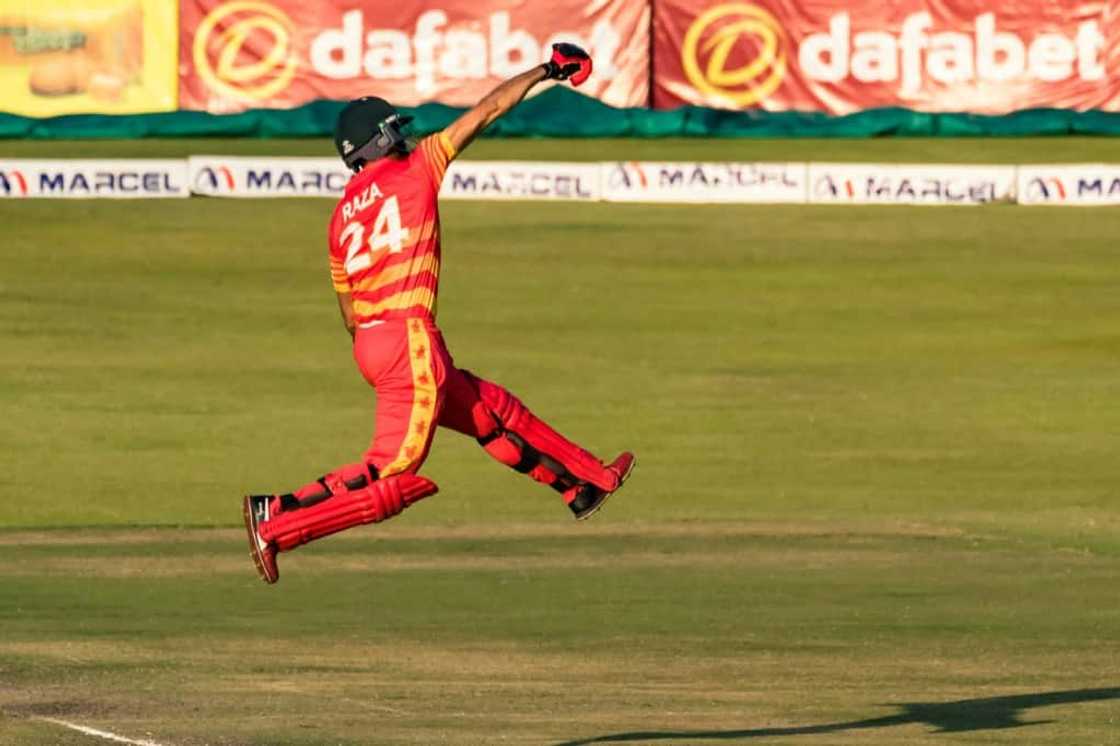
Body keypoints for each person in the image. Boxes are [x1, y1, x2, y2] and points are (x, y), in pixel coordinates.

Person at [243, 44, 635, 585]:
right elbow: (490, 109)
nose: (400, 136)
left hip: (375, 344)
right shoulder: (418, 167)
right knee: (392, 469)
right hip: (408, 336)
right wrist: (548, 71)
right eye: (391, 130)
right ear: (378, 141)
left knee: (492, 411)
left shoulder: (339, 220)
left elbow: (350, 314)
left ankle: (585, 484)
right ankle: (279, 519)